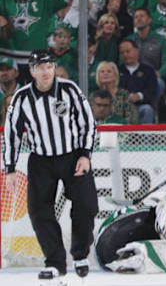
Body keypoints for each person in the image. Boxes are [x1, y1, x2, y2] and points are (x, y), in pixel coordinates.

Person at [3, 49, 98, 283]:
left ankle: (80, 255)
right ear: (32, 71)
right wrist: (10, 168)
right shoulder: (21, 98)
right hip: (41, 160)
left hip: (73, 156)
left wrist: (85, 155)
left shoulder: (70, 90)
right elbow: (12, 133)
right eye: (40, 68)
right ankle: (55, 263)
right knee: (38, 211)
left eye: (49, 67)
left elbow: (88, 123)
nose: (46, 72)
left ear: (54, 68)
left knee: (86, 205)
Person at [118, 40, 159, 124]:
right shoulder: (117, 70)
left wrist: (139, 96)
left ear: (136, 51)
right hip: (121, 108)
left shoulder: (148, 70)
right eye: (122, 53)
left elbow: (153, 91)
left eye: (128, 51)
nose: (125, 55)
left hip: (141, 106)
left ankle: (145, 137)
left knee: (147, 109)